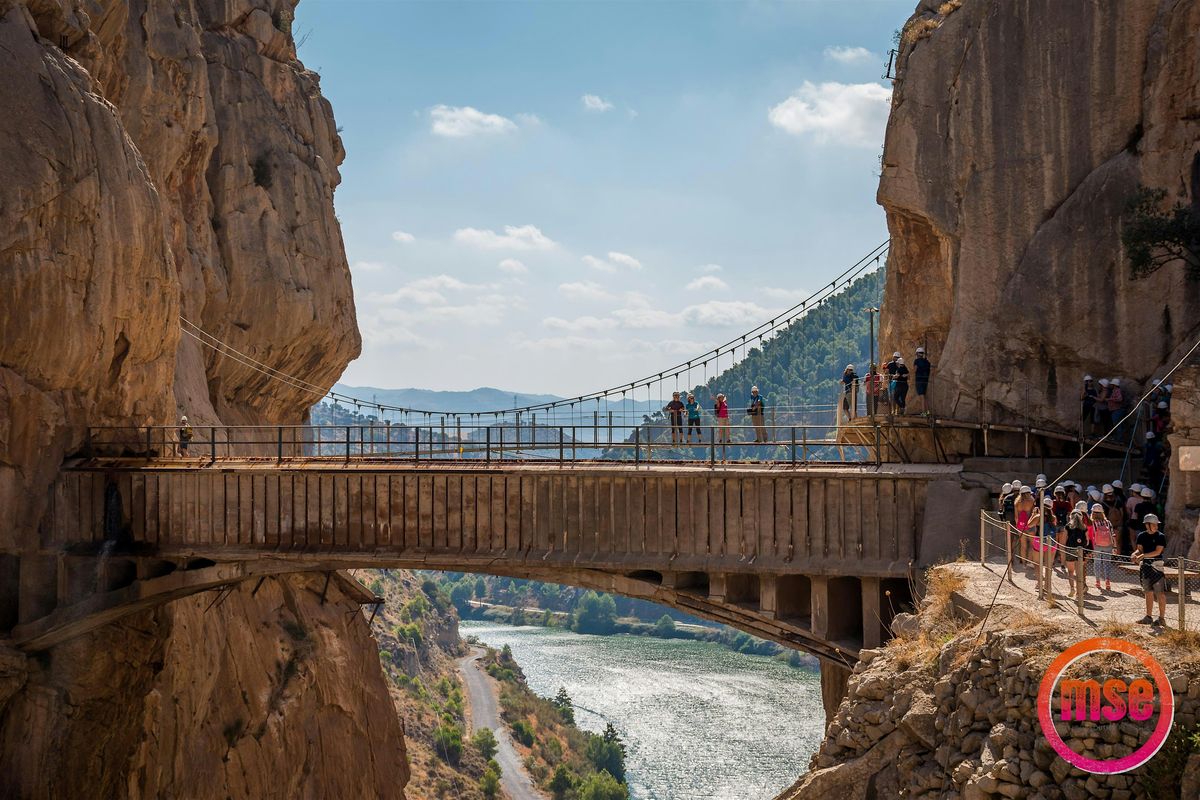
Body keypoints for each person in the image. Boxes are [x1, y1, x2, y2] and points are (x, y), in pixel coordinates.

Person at [1131, 514, 1168, 626]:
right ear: (1147, 525)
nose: (1156, 526)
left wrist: (1143, 556)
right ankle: (1148, 616)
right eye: (1154, 524)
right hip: (1146, 567)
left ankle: (1161, 618)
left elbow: (1158, 552)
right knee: (1148, 592)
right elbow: (1139, 550)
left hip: (1157, 567)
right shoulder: (1141, 536)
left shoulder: (1161, 536)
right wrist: (1134, 554)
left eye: (1157, 524)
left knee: (1160, 593)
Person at [1063, 502, 1091, 595]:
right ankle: (1079, 591)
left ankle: (1072, 588)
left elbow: (1064, 540)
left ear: (1071, 516)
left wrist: (1063, 551)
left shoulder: (1068, 526)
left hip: (1070, 550)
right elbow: (1087, 541)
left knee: (1070, 572)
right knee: (1079, 572)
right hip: (1080, 551)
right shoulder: (1084, 527)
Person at [1089, 502, 1116, 591]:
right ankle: (1107, 581)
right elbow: (1113, 534)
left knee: (1097, 563)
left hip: (1097, 545)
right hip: (1108, 544)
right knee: (1107, 564)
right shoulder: (1107, 522)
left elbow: (1091, 535)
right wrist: (1115, 547)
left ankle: (1098, 581)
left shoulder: (1092, 523)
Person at [913, 347, 932, 415]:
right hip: (926, 380)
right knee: (925, 396)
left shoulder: (916, 361)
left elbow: (915, 370)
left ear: (917, 353)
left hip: (919, 380)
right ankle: (928, 411)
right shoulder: (927, 362)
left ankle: (924, 412)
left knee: (922, 396)